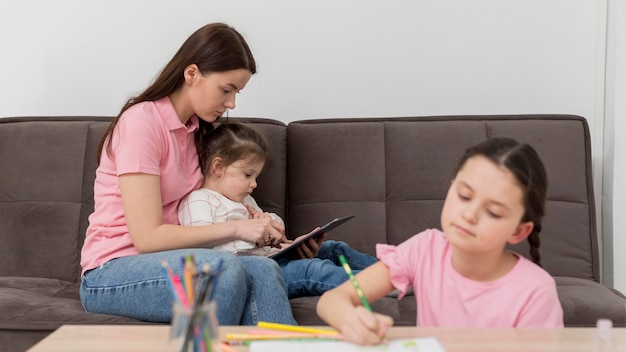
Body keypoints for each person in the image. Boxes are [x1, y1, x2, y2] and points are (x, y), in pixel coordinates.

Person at [80, 23, 306, 325]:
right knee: (224, 269)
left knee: (265, 269)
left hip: (179, 260)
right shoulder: (142, 123)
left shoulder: (198, 133)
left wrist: (278, 239)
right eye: (226, 90)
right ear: (192, 74)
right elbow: (146, 238)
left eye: (237, 92)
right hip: (113, 271)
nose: (232, 103)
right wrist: (237, 230)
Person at [316, 137, 564, 344]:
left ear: (519, 232)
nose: (469, 215)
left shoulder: (536, 291)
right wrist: (351, 320)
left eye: (493, 213)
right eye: (464, 196)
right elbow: (332, 300)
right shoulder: (425, 249)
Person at [177, 121, 378, 298]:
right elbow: (201, 248)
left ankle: (394, 272)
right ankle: (378, 286)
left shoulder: (244, 200)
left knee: (334, 248)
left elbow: (276, 227)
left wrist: (275, 231)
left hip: (273, 257)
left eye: (256, 177)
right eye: (248, 175)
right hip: (254, 273)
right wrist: (251, 235)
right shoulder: (198, 201)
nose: (254, 184)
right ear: (218, 167)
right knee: (313, 269)